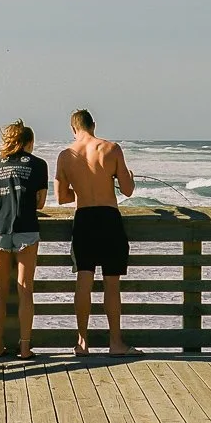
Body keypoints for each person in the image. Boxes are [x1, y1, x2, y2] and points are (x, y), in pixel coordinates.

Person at [54, 109, 140, 357]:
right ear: (94, 125)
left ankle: (82, 343)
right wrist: (128, 178)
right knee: (112, 284)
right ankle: (115, 343)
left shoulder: (65, 155)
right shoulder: (111, 149)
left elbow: (61, 197)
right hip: (109, 219)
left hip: (84, 219)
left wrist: (80, 192)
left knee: (84, 282)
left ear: (73, 129)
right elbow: (127, 191)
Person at [0, 120, 49, 359]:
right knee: (25, 290)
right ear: (28, 142)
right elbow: (40, 202)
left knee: (0, 291)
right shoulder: (39, 164)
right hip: (26, 227)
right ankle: (24, 348)